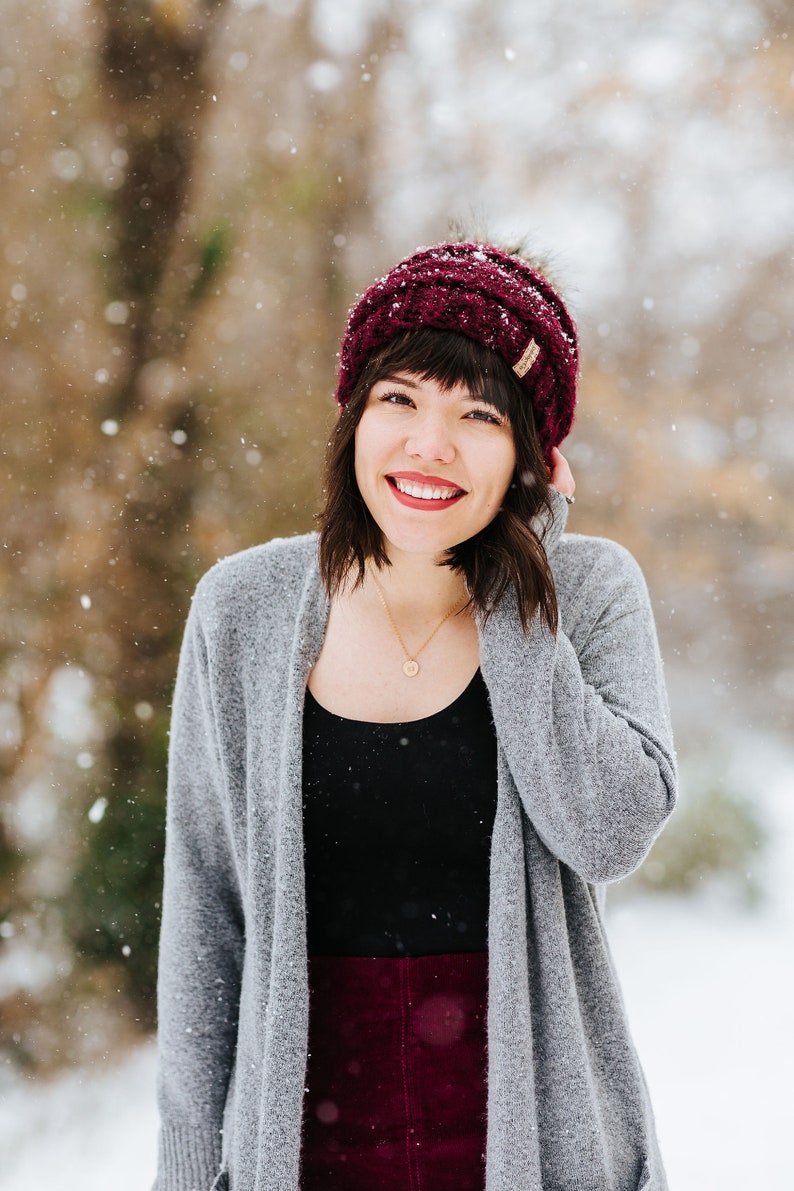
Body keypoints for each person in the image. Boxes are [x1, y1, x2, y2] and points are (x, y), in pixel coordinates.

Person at [154, 242, 677, 1191]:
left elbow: (608, 830)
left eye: (478, 415)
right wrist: (189, 1171)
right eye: (400, 399)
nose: (430, 444)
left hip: (527, 1140)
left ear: (530, 455)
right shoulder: (242, 609)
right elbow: (205, 915)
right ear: (354, 416)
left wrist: (522, 578)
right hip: (305, 1138)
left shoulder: (590, 590)